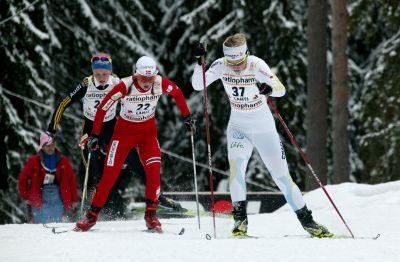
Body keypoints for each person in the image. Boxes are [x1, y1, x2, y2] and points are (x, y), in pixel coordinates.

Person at [191, 33, 333, 238]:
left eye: (239, 62)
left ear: (246, 55)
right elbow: (198, 85)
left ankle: (308, 222)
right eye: (232, 62)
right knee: (236, 172)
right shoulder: (221, 65)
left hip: (264, 130)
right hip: (238, 128)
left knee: (282, 177)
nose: (236, 67)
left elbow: (281, 89)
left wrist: (269, 88)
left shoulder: (256, 65)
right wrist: (199, 63)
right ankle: (240, 222)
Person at [41, 53, 182, 219]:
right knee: (92, 168)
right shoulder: (87, 83)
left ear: (110, 73)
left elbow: (135, 97)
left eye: (105, 74)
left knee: (135, 162)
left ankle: (158, 197)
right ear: (93, 73)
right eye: (98, 74)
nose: (101, 78)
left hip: (111, 127)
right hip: (90, 128)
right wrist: (52, 129)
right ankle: (94, 207)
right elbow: (64, 103)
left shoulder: (117, 82)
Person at [74, 56, 195, 232]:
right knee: (109, 175)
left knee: (154, 170)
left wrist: (187, 116)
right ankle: (91, 216)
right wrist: (95, 135)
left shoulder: (160, 83)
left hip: (147, 134)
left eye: (150, 78)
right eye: (143, 78)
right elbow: (103, 108)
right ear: (135, 75)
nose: (147, 83)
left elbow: (177, 92)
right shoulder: (125, 85)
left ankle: (151, 215)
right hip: (123, 135)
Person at [18, 135, 78, 223]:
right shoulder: (34, 161)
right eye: (47, 145)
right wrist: (25, 196)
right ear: (42, 146)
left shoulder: (63, 160)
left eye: (52, 145)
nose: (50, 148)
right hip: (39, 198)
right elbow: (23, 179)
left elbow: (72, 180)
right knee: (39, 227)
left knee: (57, 225)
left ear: (55, 145)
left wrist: (74, 199)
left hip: (59, 199)